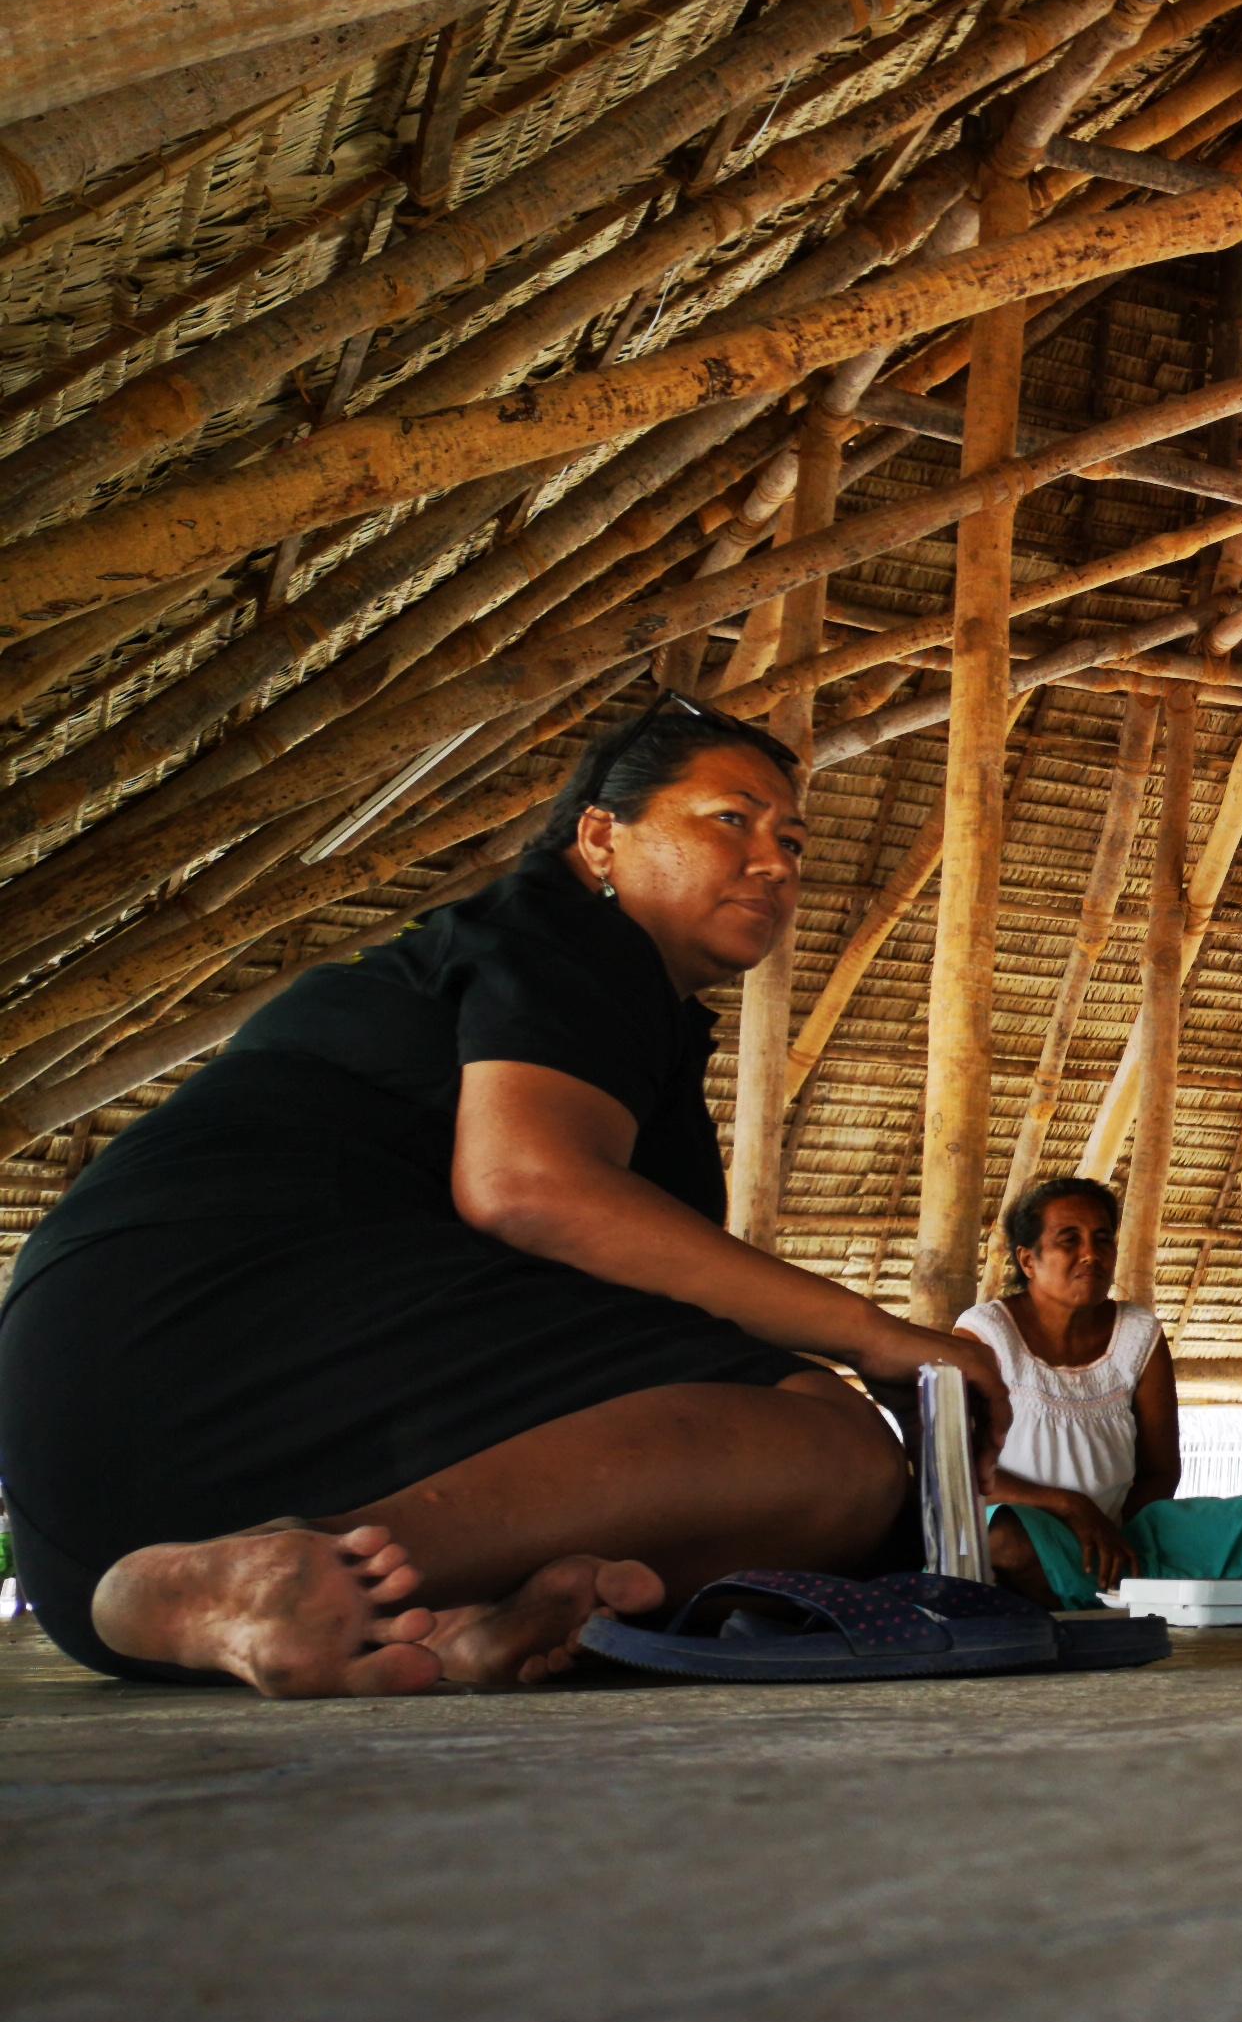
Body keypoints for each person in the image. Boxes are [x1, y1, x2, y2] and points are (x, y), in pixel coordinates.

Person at [0, 692, 1014, 1696]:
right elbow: (529, 1189)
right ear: (599, 839)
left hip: (90, 1478)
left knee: (805, 1484)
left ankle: (440, 1624)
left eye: (792, 840)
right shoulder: (567, 935)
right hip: (210, 1317)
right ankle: (307, 1570)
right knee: (825, 1448)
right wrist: (875, 1336)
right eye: (729, 819)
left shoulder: (603, 1008)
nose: (774, 861)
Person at [959, 1175, 1242, 1607]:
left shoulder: (1138, 1335)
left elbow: (1159, 1470)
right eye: (1069, 1240)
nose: (1091, 1255)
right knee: (1002, 1540)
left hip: (1116, 1529)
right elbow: (958, 1469)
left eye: (1102, 1239)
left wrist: (1115, 1540)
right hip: (1025, 1522)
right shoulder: (985, 1335)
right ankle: (1138, 1593)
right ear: (1028, 1261)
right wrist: (1071, 1508)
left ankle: (1115, 1584)